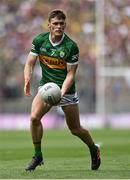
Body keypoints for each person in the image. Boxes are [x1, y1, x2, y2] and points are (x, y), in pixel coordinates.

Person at [24, 9, 101, 171]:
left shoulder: (71, 46)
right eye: (55, 24)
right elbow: (30, 62)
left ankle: (94, 149)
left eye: (61, 24)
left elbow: (71, 75)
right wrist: (27, 79)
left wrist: (62, 92)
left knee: (75, 129)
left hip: (67, 91)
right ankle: (38, 155)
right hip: (46, 88)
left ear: (65, 25)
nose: (59, 26)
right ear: (49, 25)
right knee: (34, 118)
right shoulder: (39, 40)